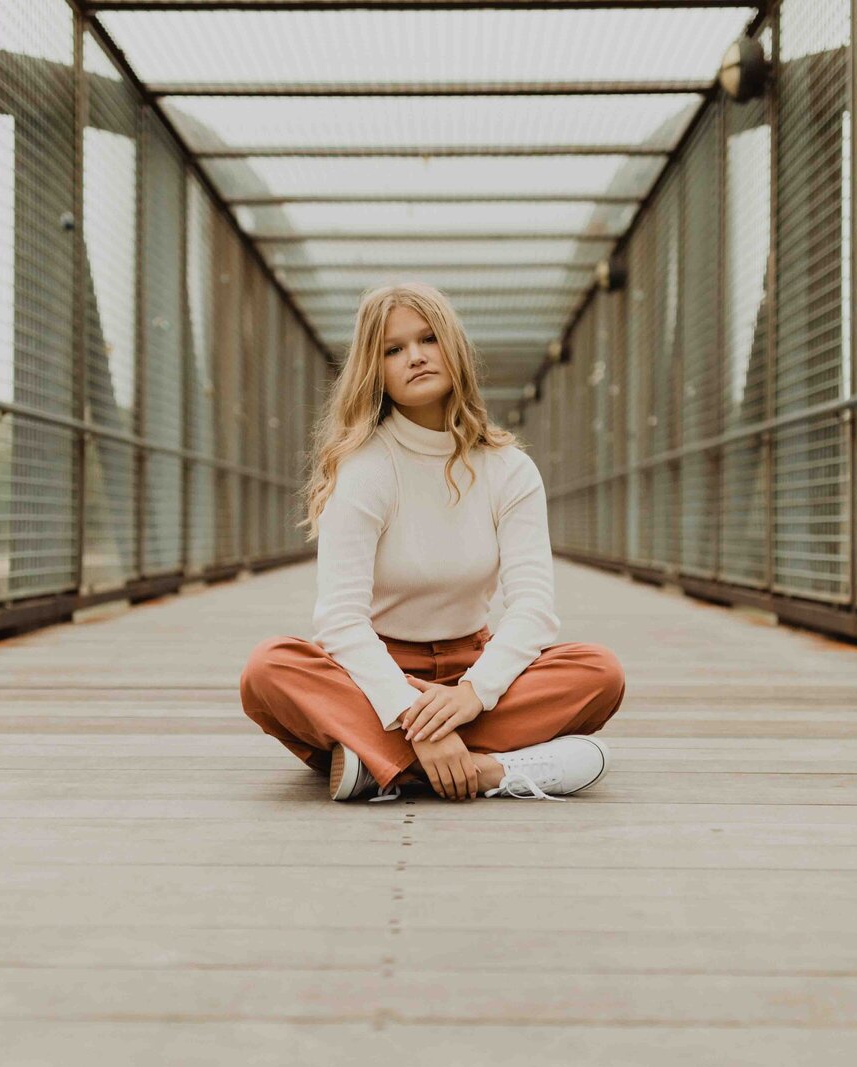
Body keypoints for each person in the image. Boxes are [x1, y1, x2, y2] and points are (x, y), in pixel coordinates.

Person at [238, 282, 626, 802]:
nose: (415, 357)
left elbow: (534, 607)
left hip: (473, 666)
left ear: (454, 348)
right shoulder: (364, 470)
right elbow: (340, 621)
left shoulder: (509, 470)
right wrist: (410, 711)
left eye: (428, 339)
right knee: (269, 670)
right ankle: (490, 769)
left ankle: (376, 762)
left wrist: (473, 693)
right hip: (376, 668)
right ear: (374, 371)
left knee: (597, 672)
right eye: (393, 350)